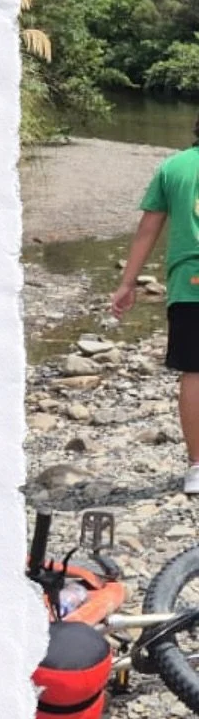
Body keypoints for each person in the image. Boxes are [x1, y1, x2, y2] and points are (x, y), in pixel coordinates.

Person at [113, 118, 199, 495]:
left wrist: (127, 283)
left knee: (195, 374)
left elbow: (148, 229)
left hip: (189, 284)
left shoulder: (174, 167)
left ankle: (198, 468)